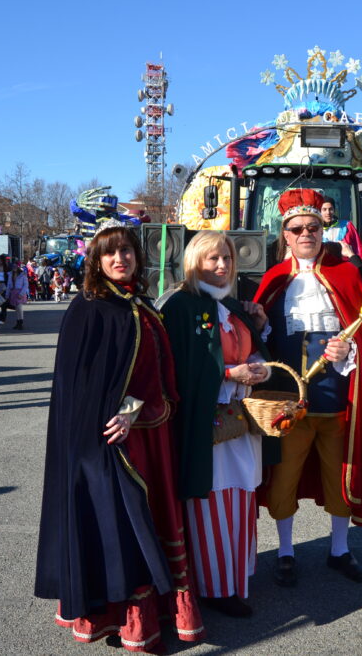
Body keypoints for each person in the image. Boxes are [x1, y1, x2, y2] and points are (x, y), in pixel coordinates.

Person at [35, 225, 205, 653]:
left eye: (126, 251)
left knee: (154, 522)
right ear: (96, 260)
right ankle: (123, 621)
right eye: (110, 254)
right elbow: (81, 388)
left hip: (152, 436)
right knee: (121, 530)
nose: (119, 259)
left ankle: (162, 614)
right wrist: (122, 416)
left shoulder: (140, 305)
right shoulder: (89, 309)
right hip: (113, 443)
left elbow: (157, 368)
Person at [254, 188, 362, 588]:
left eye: (313, 226)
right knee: (284, 477)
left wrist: (349, 348)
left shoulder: (347, 274)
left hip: (336, 397)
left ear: (322, 227)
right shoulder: (274, 278)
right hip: (287, 401)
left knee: (339, 473)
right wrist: (259, 324)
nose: (305, 234)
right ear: (286, 234)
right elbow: (260, 341)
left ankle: (339, 549)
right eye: (297, 229)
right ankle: (285, 551)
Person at [160, 230, 271, 618]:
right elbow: (179, 369)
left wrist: (258, 360)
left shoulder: (232, 306)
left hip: (240, 421)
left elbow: (252, 347)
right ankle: (214, 587)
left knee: (241, 497)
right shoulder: (180, 305)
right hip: (206, 424)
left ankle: (237, 574)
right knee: (213, 501)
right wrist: (228, 374)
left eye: (226, 258)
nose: (222, 265)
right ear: (194, 262)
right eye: (212, 259)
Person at [321, 196, 362, 261]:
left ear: (334, 210)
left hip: (346, 267)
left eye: (330, 209)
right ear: (319, 211)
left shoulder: (347, 226)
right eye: (324, 209)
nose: (328, 212)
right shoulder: (315, 230)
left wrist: (361, 267)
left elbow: (359, 249)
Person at [6, 263, 29, 330]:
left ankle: (20, 323)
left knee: (19, 308)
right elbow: (9, 285)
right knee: (17, 308)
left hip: (20, 292)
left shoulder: (23, 274)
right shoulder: (10, 274)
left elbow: (26, 285)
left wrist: (22, 293)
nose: (14, 268)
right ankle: (18, 322)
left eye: (16, 266)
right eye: (13, 267)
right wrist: (7, 294)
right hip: (13, 292)